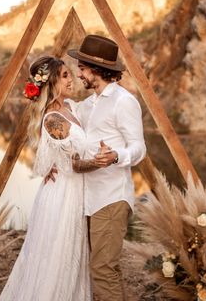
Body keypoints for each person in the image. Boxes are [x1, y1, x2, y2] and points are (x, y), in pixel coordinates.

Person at [0, 55, 107, 301]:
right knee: (57, 258)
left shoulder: (70, 108)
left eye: (70, 74)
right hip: (62, 197)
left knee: (72, 257)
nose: (71, 80)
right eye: (65, 76)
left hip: (74, 192)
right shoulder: (53, 119)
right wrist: (99, 162)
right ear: (52, 83)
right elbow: (74, 164)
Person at [67, 34, 147, 301]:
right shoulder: (86, 105)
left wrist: (115, 156)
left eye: (82, 68)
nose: (79, 73)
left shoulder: (124, 102)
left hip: (111, 198)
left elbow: (139, 148)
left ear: (96, 70)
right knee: (96, 268)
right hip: (86, 197)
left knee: (102, 269)